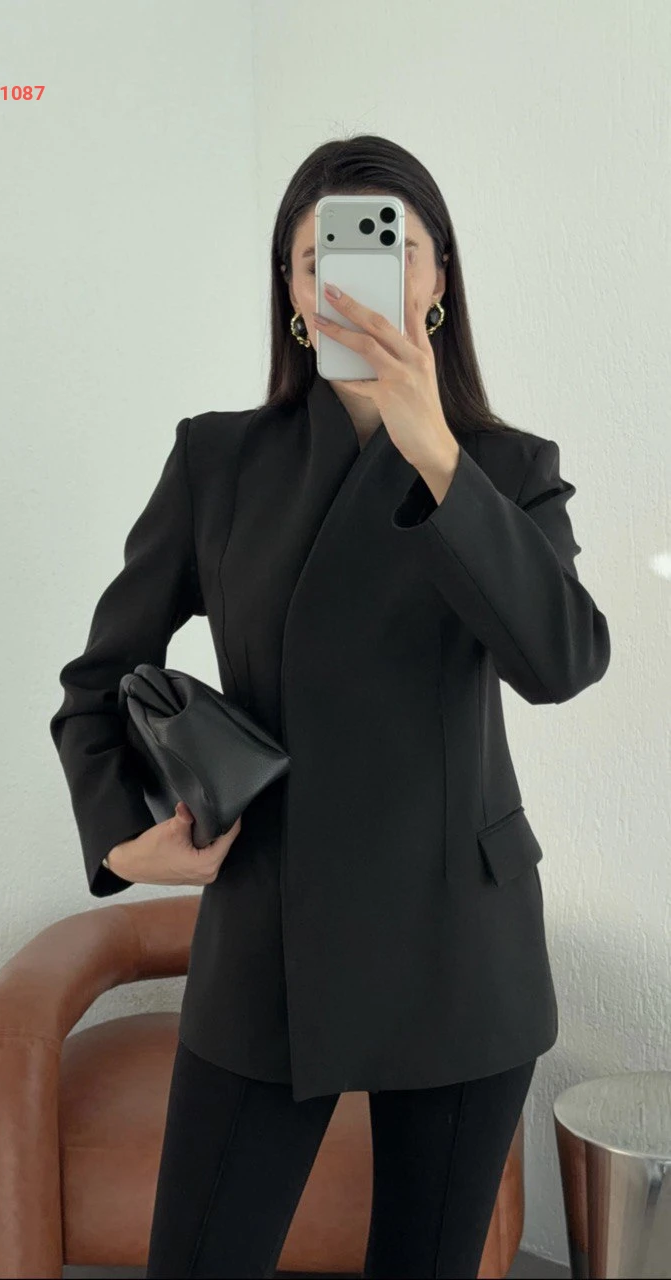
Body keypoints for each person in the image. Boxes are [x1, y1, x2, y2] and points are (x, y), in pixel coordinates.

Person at [49, 134, 611, 1279]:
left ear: (438, 279)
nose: (354, 277)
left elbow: (560, 657)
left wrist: (434, 454)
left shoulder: (505, 469)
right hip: (269, 939)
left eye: (389, 247)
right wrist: (123, 836)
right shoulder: (217, 462)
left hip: (458, 947)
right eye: (322, 258)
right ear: (295, 296)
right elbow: (96, 680)